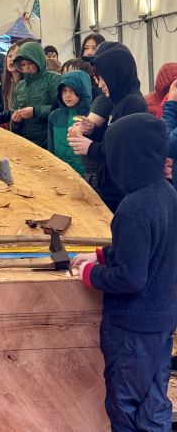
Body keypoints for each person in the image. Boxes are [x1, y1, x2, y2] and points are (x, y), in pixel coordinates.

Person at [72, 113, 177, 431]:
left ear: (125, 160)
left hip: (131, 327)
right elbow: (152, 248)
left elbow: (132, 277)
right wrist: (102, 254)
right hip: (160, 323)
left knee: (125, 408)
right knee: (153, 400)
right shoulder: (167, 194)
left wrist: (90, 273)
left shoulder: (132, 209)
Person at [68, 41, 147, 211]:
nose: (99, 83)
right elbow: (113, 137)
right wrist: (93, 132)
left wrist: (90, 148)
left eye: (101, 77)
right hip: (111, 185)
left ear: (115, 74)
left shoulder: (132, 104)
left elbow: (123, 150)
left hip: (119, 192)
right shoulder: (119, 101)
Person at [10, 42, 61, 148]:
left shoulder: (53, 79)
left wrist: (35, 111)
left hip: (48, 140)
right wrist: (14, 121)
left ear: (39, 60)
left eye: (30, 63)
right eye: (23, 65)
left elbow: (60, 108)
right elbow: (14, 110)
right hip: (24, 142)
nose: (27, 68)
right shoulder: (20, 85)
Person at [48, 70, 92, 176]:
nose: (67, 95)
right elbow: (50, 149)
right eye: (64, 90)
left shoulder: (91, 117)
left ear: (82, 90)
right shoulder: (54, 116)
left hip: (85, 176)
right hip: (60, 174)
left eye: (72, 90)